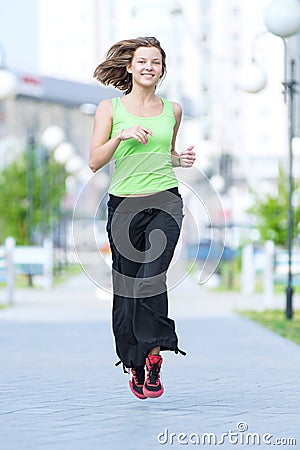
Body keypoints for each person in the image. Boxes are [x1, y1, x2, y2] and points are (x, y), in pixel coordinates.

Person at [89, 37, 196, 399]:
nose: (150, 67)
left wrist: (181, 159)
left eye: (156, 62)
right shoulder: (110, 108)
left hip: (165, 201)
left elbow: (165, 155)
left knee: (152, 276)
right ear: (130, 67)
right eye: (143, 61)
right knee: (127, 287)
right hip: (124, 207)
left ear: (162, 70)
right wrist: (121, 135)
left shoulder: (173, 110)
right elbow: (94, 161)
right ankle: (133, 361)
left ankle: (153, 358)